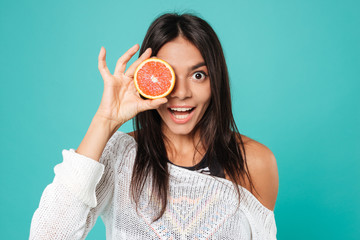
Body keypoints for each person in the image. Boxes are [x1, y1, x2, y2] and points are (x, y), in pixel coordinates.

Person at [29, 12, 279, 239]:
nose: (181, 93)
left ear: (216, 82)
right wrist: (104, 120)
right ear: (145, 78)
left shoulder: (253, 162)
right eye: (166, 74)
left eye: (198, 75)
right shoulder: (120, 156)